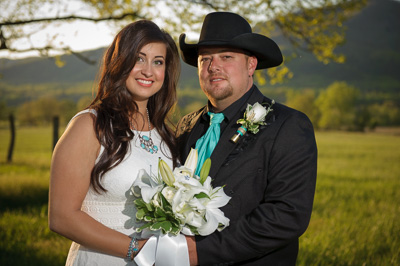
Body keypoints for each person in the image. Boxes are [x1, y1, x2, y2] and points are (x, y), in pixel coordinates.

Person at [177, 12, 318, 265]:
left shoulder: (288, 125)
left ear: (251, 64)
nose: (213, 66)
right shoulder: (186, 125)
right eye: (205, 59)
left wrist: (201, 252)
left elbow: (287, 215)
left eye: (226, 57)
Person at [48, 20, 181, 265]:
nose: (148, 71)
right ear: (120, 62)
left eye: (158, 62)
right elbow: (61, 216)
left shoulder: (167, 136)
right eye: (139, 59)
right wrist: (138, 250)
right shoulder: (89, 126)